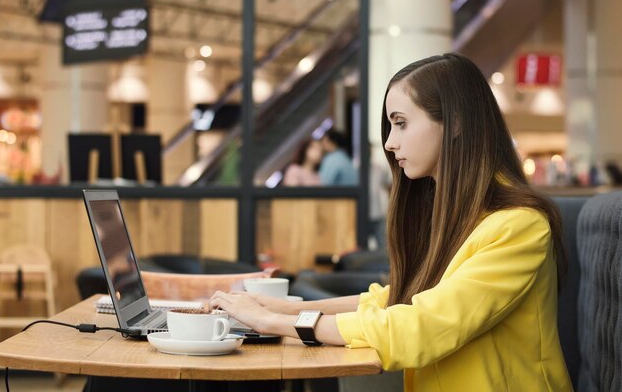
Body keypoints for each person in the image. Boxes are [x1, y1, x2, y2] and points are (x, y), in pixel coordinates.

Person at [210, 53, 572, 391]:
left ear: (457, 122)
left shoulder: (520, 226)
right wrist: (285, 308)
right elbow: (398, 298)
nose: (389, 142)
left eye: (400, 124)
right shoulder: (456, 214)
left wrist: (275, 323)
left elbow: (422, 326)